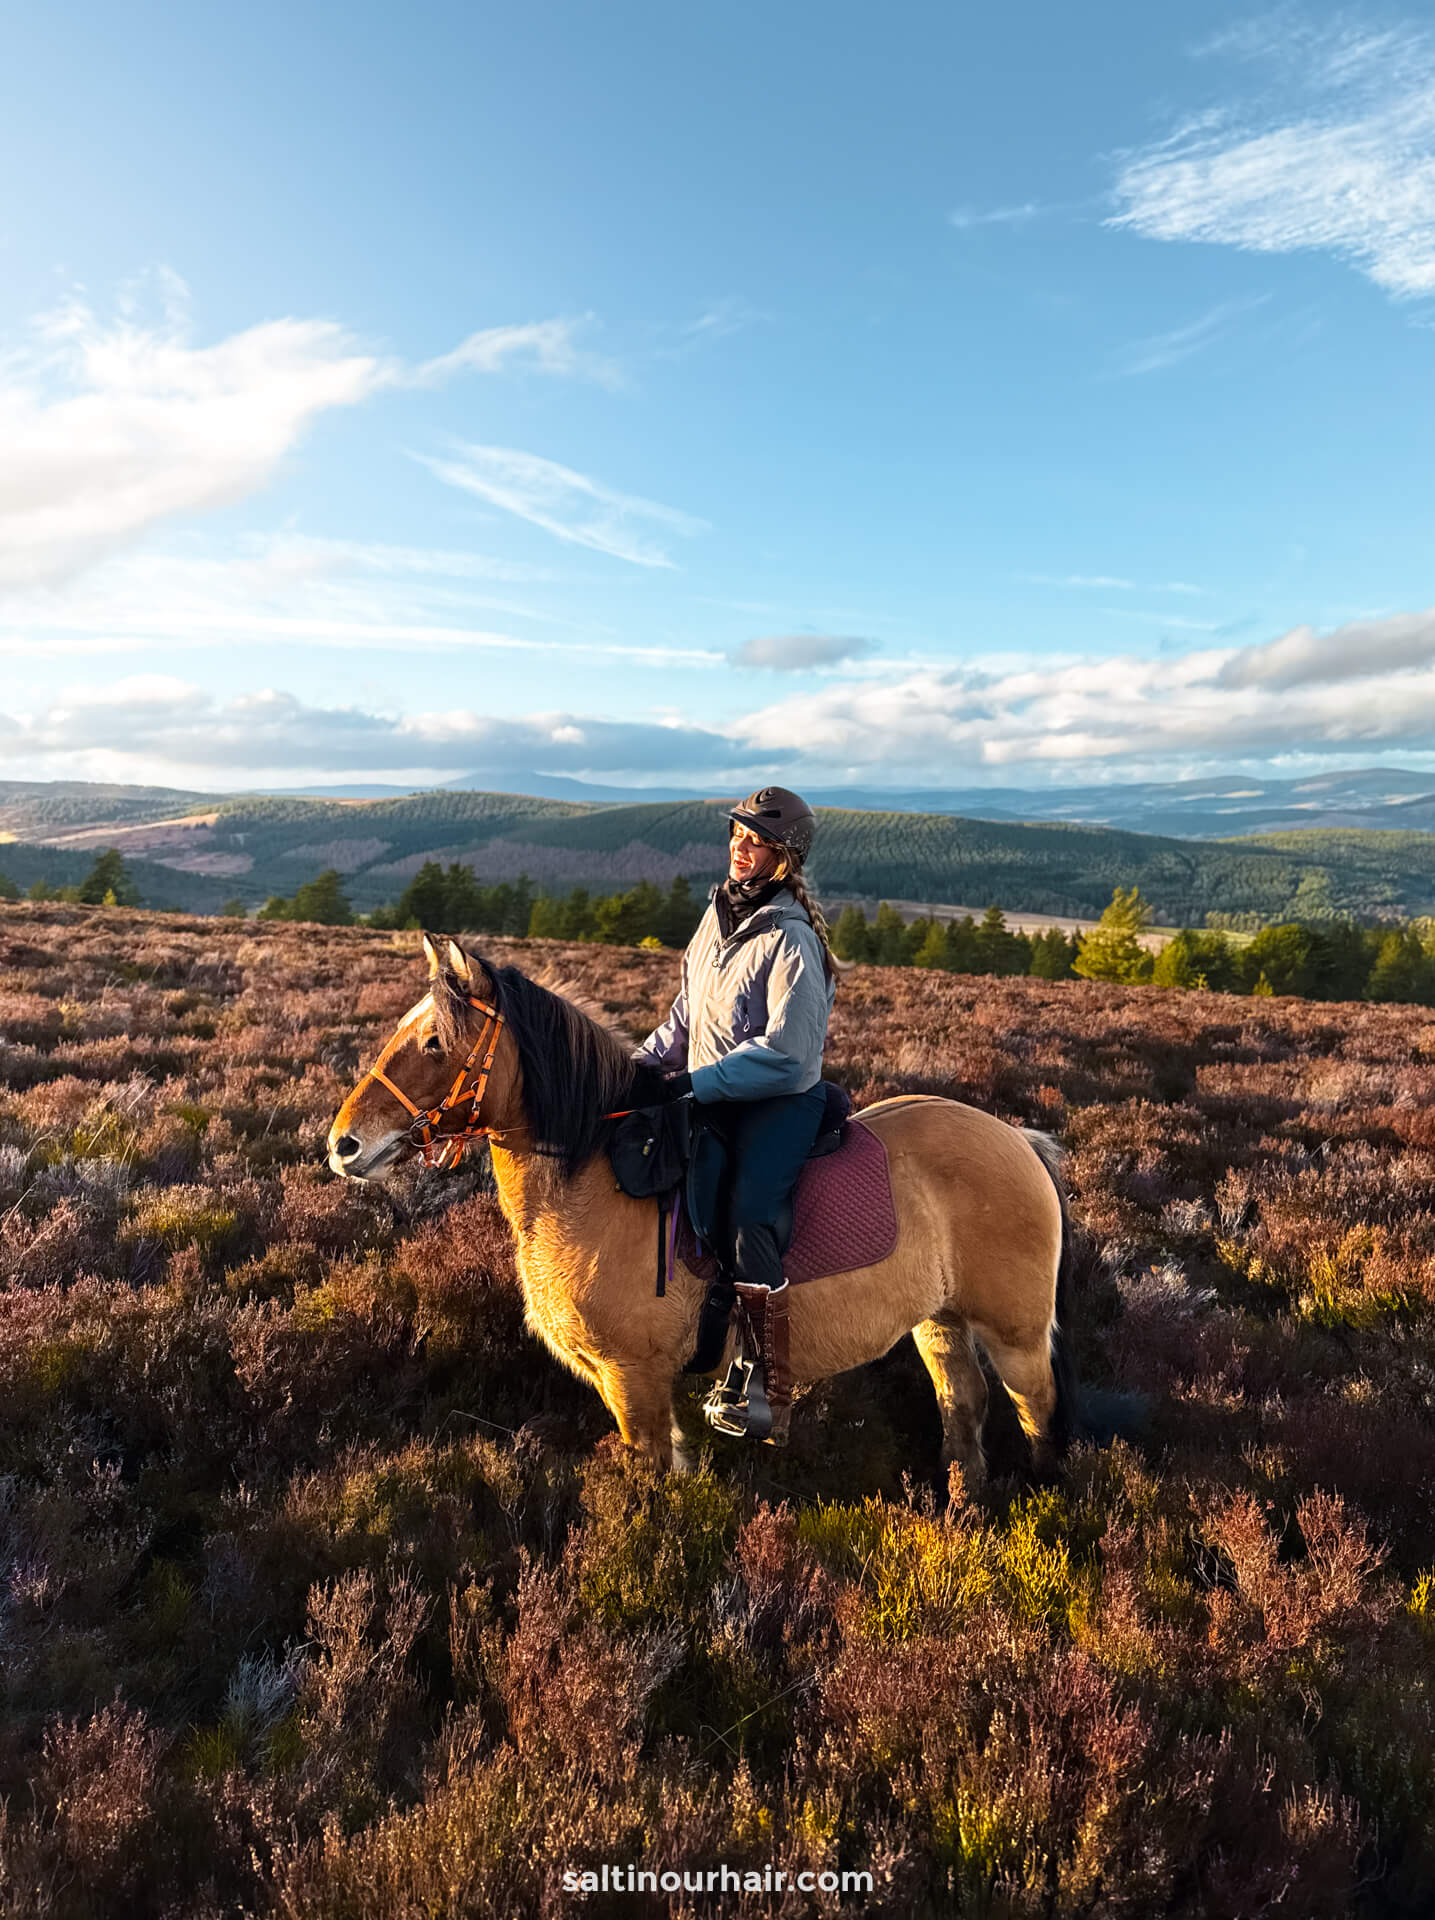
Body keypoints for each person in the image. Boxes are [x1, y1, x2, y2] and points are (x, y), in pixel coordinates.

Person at [631, 786, 844, 1417]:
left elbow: (789, 1057)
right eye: (736, 835)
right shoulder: (717, 915)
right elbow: (687, 1015)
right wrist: (641, 1070)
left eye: (755, 840)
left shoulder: (793, 940)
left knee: (751, 1215)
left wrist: (699, 1083)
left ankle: (768, 1388)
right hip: (714, 1090)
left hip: (778, 1101)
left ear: (784, 858)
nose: (739, 848)